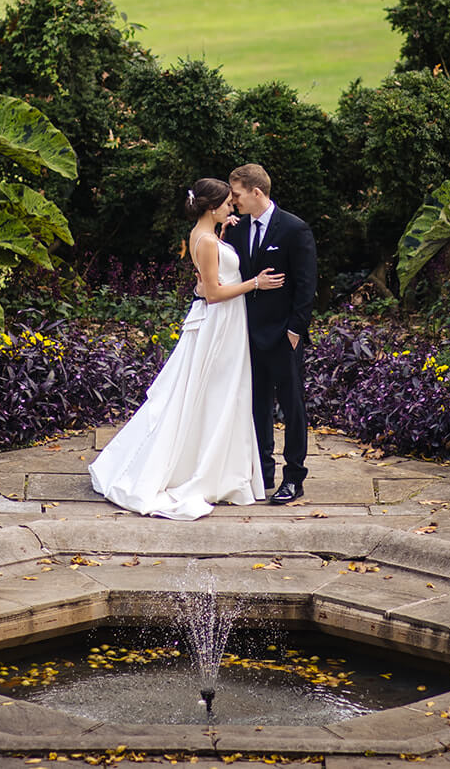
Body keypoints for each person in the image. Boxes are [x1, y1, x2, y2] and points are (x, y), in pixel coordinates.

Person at [89, 178, 286, 520]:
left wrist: (225, 233)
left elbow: (207, 279)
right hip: (221, 323)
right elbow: (212, 293)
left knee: (217, 394)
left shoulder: (206, 235)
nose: (231, 207)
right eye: (226, 203)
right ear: (213, 207)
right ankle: (207, 470)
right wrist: (256, 282)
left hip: (225, 322)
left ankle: (217, 466)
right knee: (220, 393)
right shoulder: (207, 241)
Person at [225, 163, 317, 504]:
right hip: (246, 334)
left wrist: (295, 330)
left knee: (292, 407)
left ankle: (294, 477)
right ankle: (262, 473)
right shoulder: (235, 229)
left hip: (283, 335)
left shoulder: (294, 229)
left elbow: (307, 285)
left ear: (256, 192)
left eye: (236, 195)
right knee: (256, 405)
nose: (232, 201)